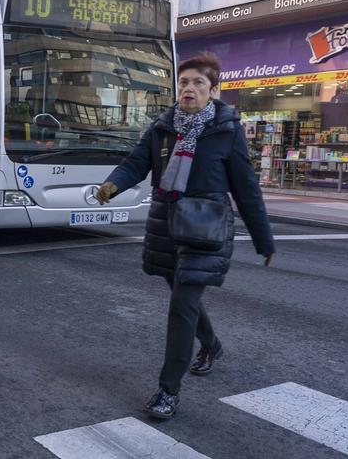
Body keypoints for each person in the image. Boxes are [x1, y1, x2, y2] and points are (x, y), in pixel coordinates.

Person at [95, 53, 275, 420]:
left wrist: (263, 239)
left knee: (182, 305)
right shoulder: (162, 127)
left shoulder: (227, 131)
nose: (189, 89)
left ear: (213, 90)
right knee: (183, 295)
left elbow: (246, 188)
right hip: (165, 223)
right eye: (185, 82)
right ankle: (211, 345)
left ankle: (167, 390)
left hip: (207, 228)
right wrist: (114, 183)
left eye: (198, 83)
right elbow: (136, 163)